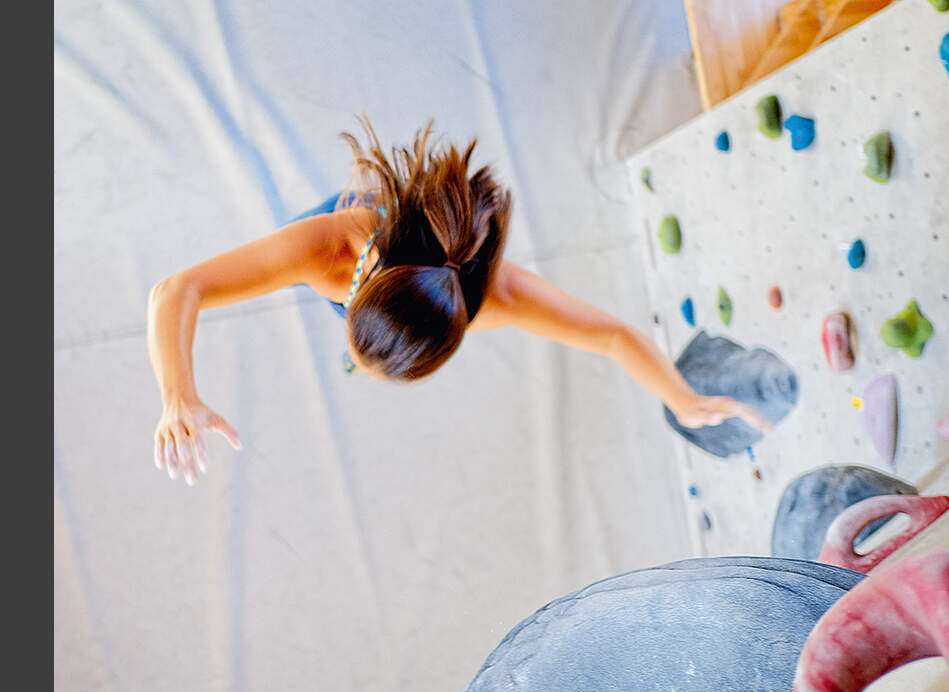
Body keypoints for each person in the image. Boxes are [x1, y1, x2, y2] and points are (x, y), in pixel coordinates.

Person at [147, 116, 772, 485]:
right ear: (357, 286)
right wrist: (179, 393)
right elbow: (177, 289)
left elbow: (609, 335)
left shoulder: (497, 297)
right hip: (369, 236)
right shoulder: (328, 248)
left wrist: (680, 397)